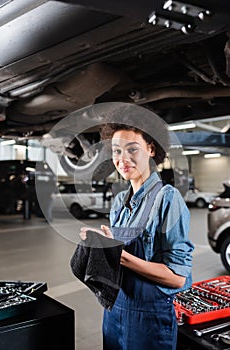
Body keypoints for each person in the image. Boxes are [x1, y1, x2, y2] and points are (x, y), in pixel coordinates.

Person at [79, 105, 194, 350]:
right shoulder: (120, 201)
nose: (123, 159)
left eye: (132, 149)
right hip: (114, 311)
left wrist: (119, 256)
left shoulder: (167, 198)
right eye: (116, 151)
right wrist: (102, 245)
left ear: (151, 149)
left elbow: (177, 278)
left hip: (148, 318)